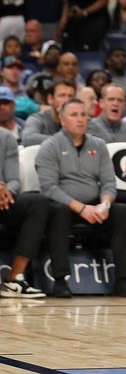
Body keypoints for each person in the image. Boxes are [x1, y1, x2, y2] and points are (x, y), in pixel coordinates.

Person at [39, 98, 126, 298]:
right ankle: (60, 281)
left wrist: (106, 203)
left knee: (122, 211)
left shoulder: (98, 145)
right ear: (62, 119)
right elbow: (48, 188)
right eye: (74, 115)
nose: (80, 119)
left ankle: (123, 280)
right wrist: (81, 208)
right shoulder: (50, 146)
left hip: (96, 206)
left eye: (83, 114)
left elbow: (109, 182)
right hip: (66, 205)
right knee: (58, 212)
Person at [0, 126, 48, 298]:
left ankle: (15, 279)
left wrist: (6, 192)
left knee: (38, 202)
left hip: (3, 199)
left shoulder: (5, 137)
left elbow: (13, 179)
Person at [21, 78, 75, 146]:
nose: (67, 100)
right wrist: (64, 141)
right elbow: (28, 139)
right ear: (50, 99)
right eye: (62, 95)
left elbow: (90, 141)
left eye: (70, 96)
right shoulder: (38, 118)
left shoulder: (83, 119)